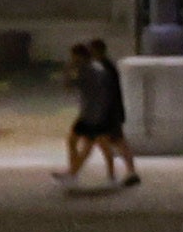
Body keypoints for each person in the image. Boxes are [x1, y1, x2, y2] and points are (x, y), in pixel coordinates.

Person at [58, 39, 138, 190]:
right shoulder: (103, 67)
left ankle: (73, 173)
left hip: (101, 114)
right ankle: (118, 173)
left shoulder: (96, 69)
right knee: (102, 143)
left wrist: (68, 70)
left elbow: (72, 86)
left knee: (97, 143)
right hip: (104, 113)